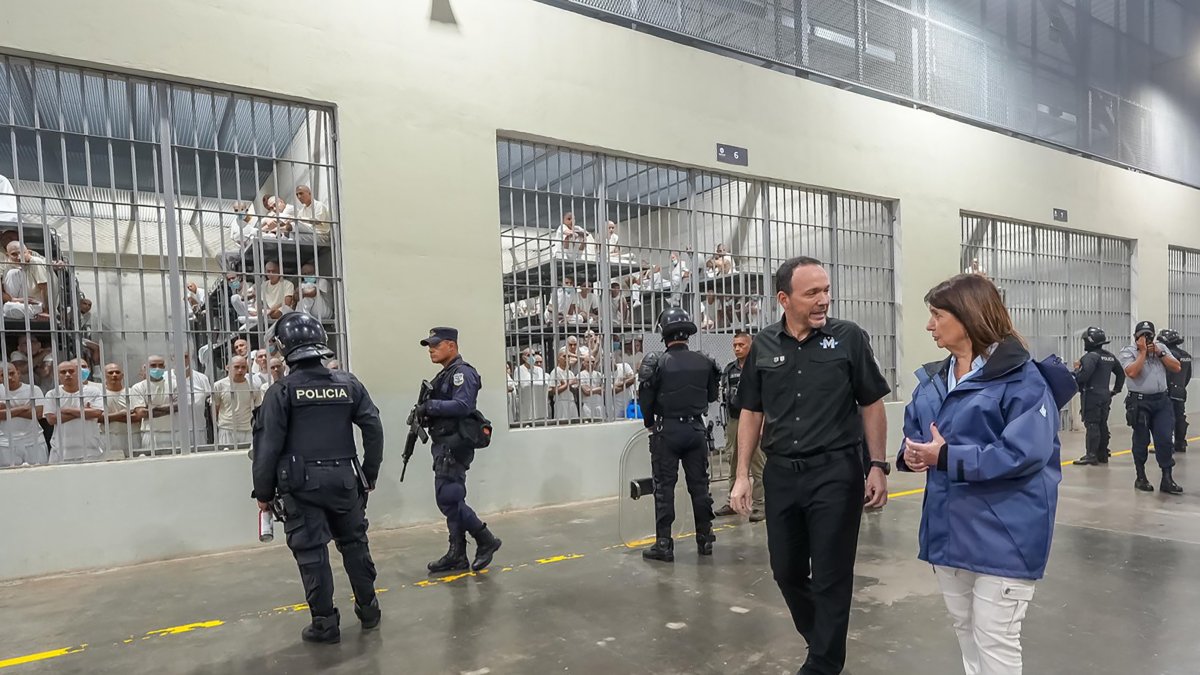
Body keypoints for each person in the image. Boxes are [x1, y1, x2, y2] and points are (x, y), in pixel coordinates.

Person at [899, 273, 1071, 675]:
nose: (929, 325)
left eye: (937, 315)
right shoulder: (932, 383)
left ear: (968, 317)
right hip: (949, 530)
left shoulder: (1024, 381)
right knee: (967, 633)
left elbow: (1023, 453)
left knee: (996, 640)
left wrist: (945, 457)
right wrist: (913, 456)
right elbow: (915, 436)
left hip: (1004, 533)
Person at [730, 256, 890, 675]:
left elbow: (871, 402)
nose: (824, 300)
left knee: (832, 575)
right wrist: (742, 474)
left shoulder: (849, 338)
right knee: (786, 570)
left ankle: (822, 663)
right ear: (784, 299)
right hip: (781, 473)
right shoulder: (763, 345)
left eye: (826, 290)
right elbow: (751, 411)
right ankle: (822, 641)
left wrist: (877, 465)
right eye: (813, 293)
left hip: (835, 472)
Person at [252, 312, 384, 644]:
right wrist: (368, 475)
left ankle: (325, 624)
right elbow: (373, 428)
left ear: (283, 348)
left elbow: (267, 448)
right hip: (345, 481)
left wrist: (263, 493)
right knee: (355, 545)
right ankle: (369, 611)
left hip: (300, 486)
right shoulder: (349, 384)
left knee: (312, 554)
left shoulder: (281, 392)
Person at [636, 307, 720, 562]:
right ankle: (705, 539)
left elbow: (645, 400)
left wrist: (650, 423)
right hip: (696, 430)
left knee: (664, 488)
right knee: (700, 486)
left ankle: (664, 544)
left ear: (664, 333)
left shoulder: (656, 361)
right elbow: (712, 396)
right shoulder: (705, 361)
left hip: (667, 431)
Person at [417, 327, 502, 574]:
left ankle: (485, 539)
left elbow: (464, 405)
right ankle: (457, 554)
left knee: (449, 498)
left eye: (435, 344)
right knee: (451, 498)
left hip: (455, 445)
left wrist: (430, 407)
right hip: (444, 444)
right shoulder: (445, 375)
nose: (431, 350)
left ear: (451, 346)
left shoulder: (462, 374)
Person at [1118, 320, 1183, 494]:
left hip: (1161, 401)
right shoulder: (1128, 351)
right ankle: (1141, 477)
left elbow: (1177, 367)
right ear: (1135, 337)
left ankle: (1167, 479)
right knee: (1141, 440)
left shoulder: (1161, 348)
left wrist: (1160, 353)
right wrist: (1142, 353)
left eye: (1149, 335)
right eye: (1142, 335)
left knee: (1164, 439)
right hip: (1140, 402)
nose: (1146, 338)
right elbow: (1132, 372)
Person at [714, 331, 765, 522]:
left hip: (755, 419)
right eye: (735, 345)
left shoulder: (759, 366)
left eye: (741, 345)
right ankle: (732, 500)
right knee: (733, 461)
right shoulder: (729, 369)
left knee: (758, 463)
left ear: (750, 345)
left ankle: (760, 504)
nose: (737, 348)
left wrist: (763, 424)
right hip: (735, 420)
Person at [1072, 327, 1125, 466]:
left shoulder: (1090, 357)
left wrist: (1077, 370)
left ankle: (1091, 454)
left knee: (1092, 424)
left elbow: (1084, 376)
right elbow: (1121, 373)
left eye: (1085, 340)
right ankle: (1103, 453)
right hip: (1105, 395)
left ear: (1090, 341)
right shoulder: (1109, 356)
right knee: (1102, 424)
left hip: (1092, 394)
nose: (1084, 343)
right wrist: (1115, 390)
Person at [45, 359, 105, 463]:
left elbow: (97, 413)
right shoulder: (52, 394)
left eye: (71, 371)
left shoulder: (93, 391)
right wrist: (85, 412)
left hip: (90, 449)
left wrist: (67, 410)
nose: (67, 374)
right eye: (63, 372)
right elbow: (51, 419)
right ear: (58, 375)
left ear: (78, 373)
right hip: (61, 450)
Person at [0, 361, 46, 467]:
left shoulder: (33, 389)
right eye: (3, 375)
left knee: (40, 474)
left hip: (34, 440)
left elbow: (38, 414)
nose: (9, 378)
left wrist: (7, 410)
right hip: (5, 442)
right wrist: (23, 408)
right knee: (9, 478)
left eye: (12, 373)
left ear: (18, 373)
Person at [212, 355, 263, 449]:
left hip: (247, 430)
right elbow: (214, 409)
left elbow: (258, 408)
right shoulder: (219, 386)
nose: (240, 370)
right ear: (227, 367)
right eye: (236, 367)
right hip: (226, 429)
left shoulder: (254, 386)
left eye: (243, 367)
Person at [1159, 328, 1191, 454]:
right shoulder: (1186, 355)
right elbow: (1188, 375)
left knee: (1167, 418)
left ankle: (1168, 446)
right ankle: (1180, 443)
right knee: (1180, 417)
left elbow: (1165, 374)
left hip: (1169, 390)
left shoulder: (1169, 355)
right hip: (1181, 390)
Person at [100, 362, 140, 459]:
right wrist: (122, 414)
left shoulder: (131, 392)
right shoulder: (100, 394)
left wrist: (110, 417)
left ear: (122, 375)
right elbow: (99, 418)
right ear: (104, 375)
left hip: (132, 436)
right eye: (110, 373)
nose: (114, 375)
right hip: (109, 437)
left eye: (117, 372)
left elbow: (138, 416)